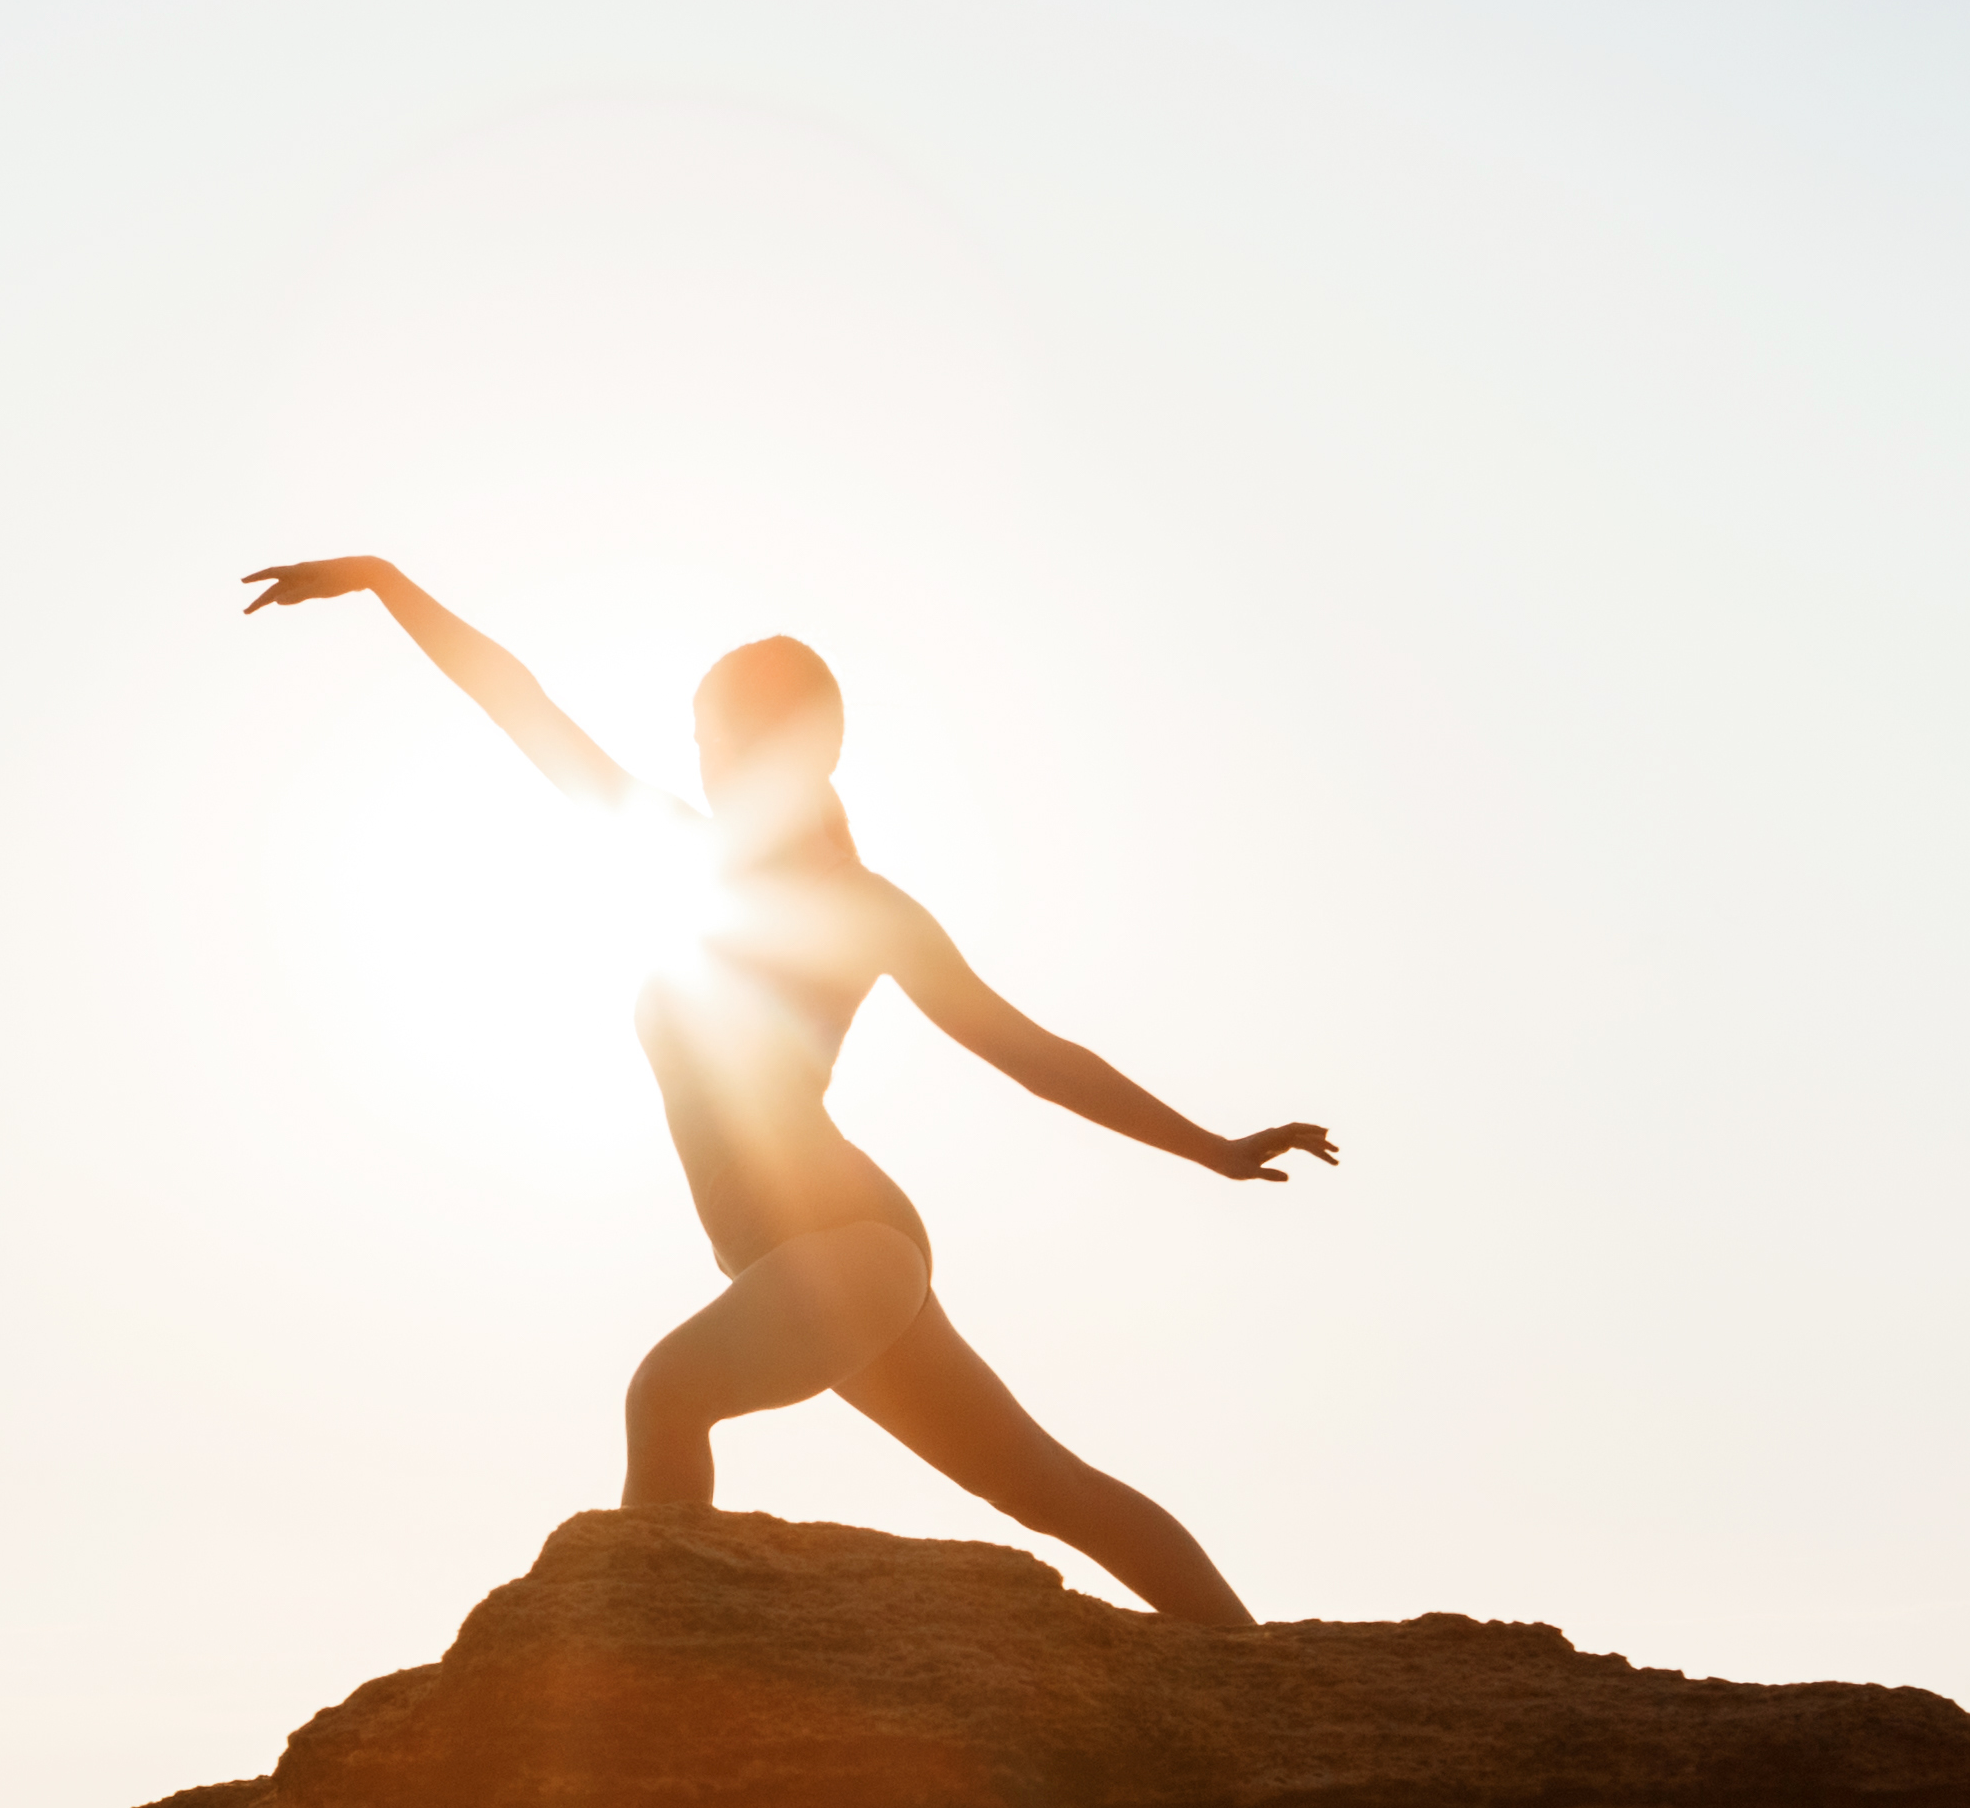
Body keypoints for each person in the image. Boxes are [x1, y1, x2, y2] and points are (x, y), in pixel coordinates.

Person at [241, 556, 1332, 1627]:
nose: (708, 757)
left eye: (727, 735)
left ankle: (642, 1661)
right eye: (703, 738)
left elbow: (1028, 1051)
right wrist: (386, 582)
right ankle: (1250, 1662)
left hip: (848, 1240)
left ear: (806, 751)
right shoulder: (676, 851)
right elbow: (520, 704)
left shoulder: (865, 907)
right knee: (1045, 1486)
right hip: (802, 1258)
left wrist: (1213, 1149)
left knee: (667, 1397)